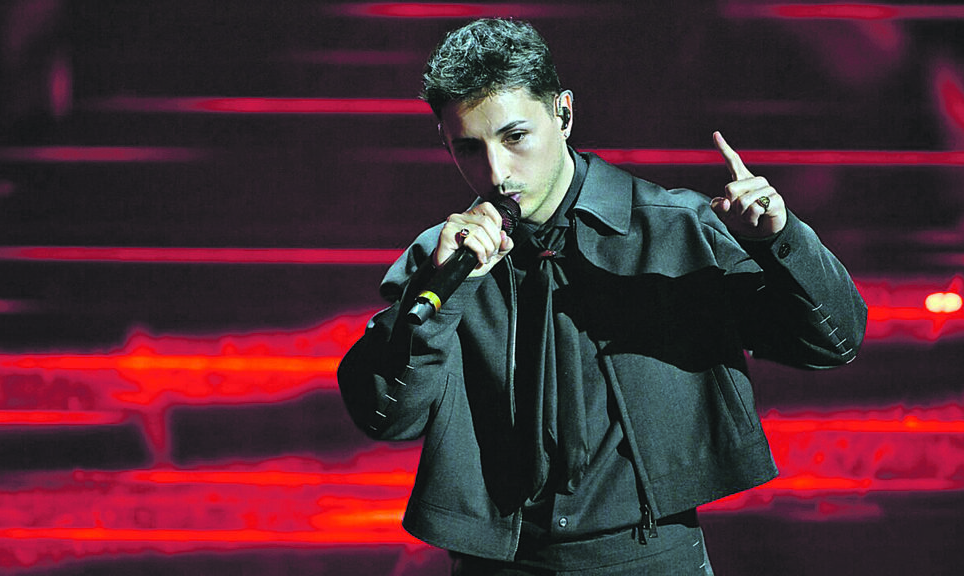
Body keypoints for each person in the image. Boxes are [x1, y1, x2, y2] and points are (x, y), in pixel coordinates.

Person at [338, 18, 867, 575]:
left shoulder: (673, 228)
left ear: (563, 114)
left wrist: (778, 241)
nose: (496, 172)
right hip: (501, 562)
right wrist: (446, 292)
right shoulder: (444, 260)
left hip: (650, 555)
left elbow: (833, 342)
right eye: (469, 148)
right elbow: (385, 416)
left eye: (515, 137)